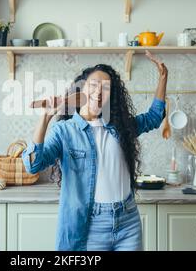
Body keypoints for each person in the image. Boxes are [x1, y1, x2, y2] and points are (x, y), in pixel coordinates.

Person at [22, 51, 168, 251]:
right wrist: (45, 119)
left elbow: (153, 117)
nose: (99, 92)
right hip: (90, 226)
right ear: (80, 90)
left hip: (128, 221)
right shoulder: (64, 131)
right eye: (93, 86)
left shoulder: (121, 126)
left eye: (106, 88)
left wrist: (163, 78)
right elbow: (33, 165)